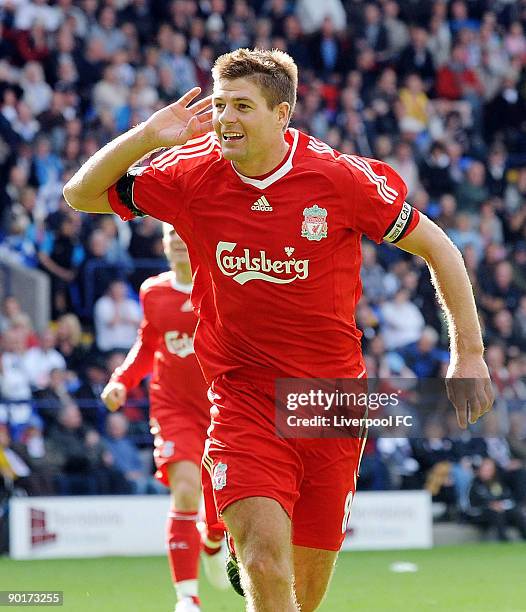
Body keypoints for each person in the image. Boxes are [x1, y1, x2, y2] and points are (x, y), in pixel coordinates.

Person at [64, 48, 494, 612]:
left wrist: (469, 355)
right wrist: (147, 135)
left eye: (242, 106)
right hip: (243, 398)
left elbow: (439, 247)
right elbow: (81, 194)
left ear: (282, 113)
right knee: (266, 564)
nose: (225, 118)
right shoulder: (191, 172)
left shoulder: (339, 178)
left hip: (330, 407)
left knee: (298, 598)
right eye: (220, 105)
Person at [100, 224, 228, 612]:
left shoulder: (221, 285)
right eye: (170, 233)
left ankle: (213, 541)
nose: (176, 240)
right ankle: (187, 598)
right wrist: (122, 380)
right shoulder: (153, 291)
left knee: (220, 505)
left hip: (222, 406)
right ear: (164, 242)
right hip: (173, 408)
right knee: (186, 490)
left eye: (183, 233)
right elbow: (146, 344)